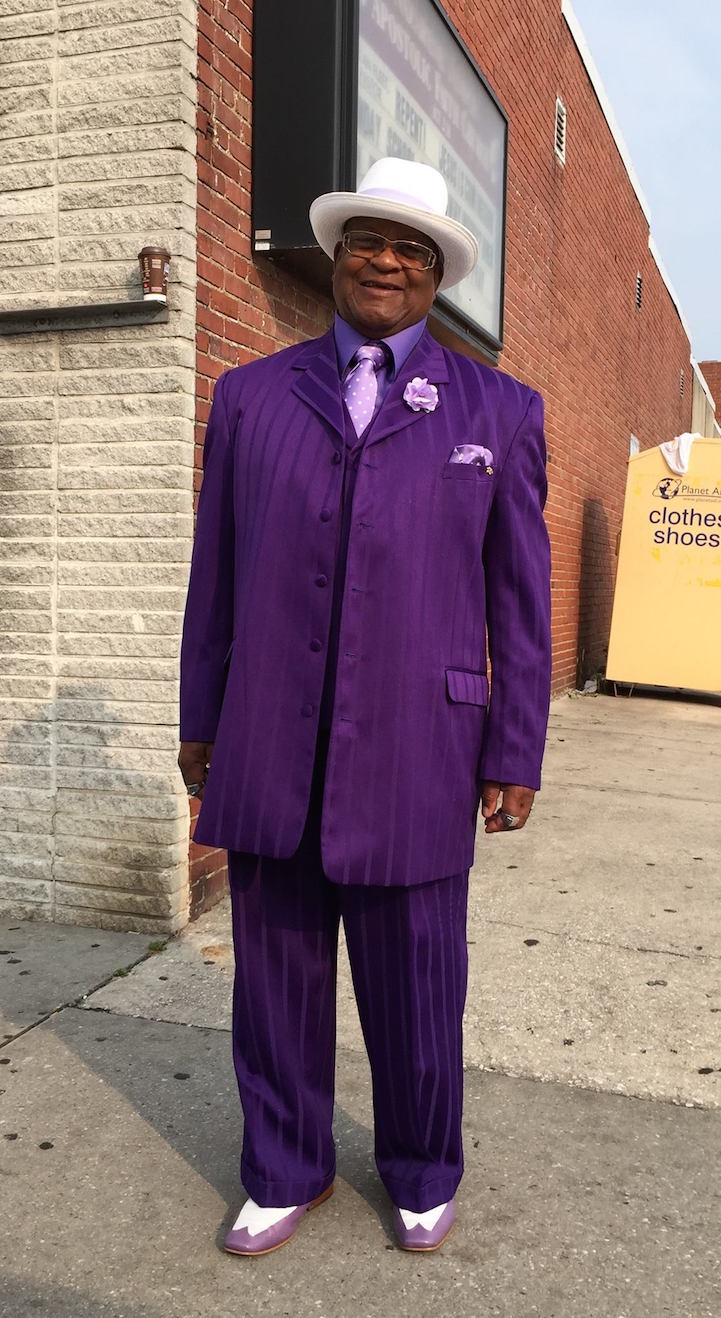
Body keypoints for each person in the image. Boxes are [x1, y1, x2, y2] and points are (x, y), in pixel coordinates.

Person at [178, 157, 551, 1255]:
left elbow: (520, 603)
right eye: (369, 241)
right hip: (268, 742)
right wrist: (201, 716)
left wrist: (514, 749)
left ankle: (423, 1169)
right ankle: (283, 1168)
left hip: (420, 749)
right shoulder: (250, 396)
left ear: (435, 275)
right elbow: (214, 576)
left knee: (418, 985)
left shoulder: (500, 411)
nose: (387, 261)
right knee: (274, 984)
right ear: (337, 255)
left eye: (412, 249)